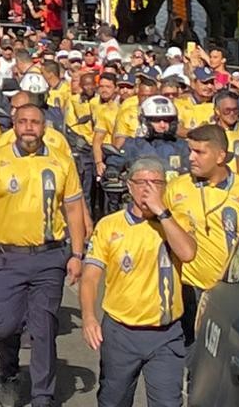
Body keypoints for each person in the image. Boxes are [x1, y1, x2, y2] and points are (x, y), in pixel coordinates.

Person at [0, 103, 87, 407]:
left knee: (44, 328)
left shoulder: (61, 162)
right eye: (22, 121)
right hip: (9, 258)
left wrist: (77, 253)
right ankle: (8, 373)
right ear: (14, 124)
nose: (28, 127)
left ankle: (42, 395)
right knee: (6, 326)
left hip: (50, 258)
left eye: (34, 122)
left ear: (44, 126)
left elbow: (74, 209)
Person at [81, 158, 197, 407]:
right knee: (114, 400)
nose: (148, 188)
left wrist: (162, 213)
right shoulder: (109, 226)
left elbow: (187, 253)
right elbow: (90, 276)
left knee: (168, 402)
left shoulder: (177, 221)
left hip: (165, 334)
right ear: (129, 186)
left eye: (156, 182)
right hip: (122, 333)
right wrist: (89, 316)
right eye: (142, 182)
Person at [165, 124, 239, 353]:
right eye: (190, 150)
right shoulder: (176, 188)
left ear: (220, 156)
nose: (191, 158)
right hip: (187, 289)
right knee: (188, 357)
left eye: (199, 152)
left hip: (229, 295)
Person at [123, 96, 191, 181]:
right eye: (156, 120)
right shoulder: (133, 145)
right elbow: (118, 160)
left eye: (167, 120)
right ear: (144, 121)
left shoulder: (182, 146)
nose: (162, 125)